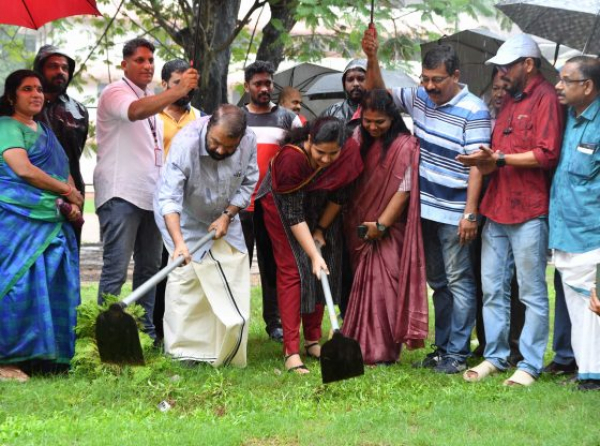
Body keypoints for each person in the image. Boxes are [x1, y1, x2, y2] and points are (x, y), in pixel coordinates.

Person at [363, 28, 491, 374]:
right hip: (426, 209)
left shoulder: (474, 110)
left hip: (455, 213)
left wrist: (470, 213)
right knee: (438, 282)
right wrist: (372, 57)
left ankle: (458, 352)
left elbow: (479, 165)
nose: (430, 86)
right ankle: (443, 348)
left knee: (459, 280)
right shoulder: (419, 98)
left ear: (455, 76)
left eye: (437, 80)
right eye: (425, 79)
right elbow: (377, 93)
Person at [458, 34, 564, 387]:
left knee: (531, 292)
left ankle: (530, 363)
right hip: (497, 206)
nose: (502, 72)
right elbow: (499, 153)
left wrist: (499, 158)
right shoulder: (508, 100)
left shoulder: (546, 97)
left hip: (529, 209)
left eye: (508, 66)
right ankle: (495, 356)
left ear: (528, 65)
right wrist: (482, 160)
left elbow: (546, 153)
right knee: (492, 287)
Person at [94, 37, 199, 340]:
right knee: (116, 268)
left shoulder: (151, 94)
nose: (147, 65)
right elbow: (135, 111)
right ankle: (107, 337)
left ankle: (146, 334)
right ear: (124, 64)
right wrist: (177, 90)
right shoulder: (115, 92)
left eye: (150, 60)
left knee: (151, 269)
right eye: (139, 60)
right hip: (120, 194)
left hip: (151, 196)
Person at [256, 117, 363, 373]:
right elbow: (293, 213)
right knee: (295, 268)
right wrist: (312, 254)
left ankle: (313, 339)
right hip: (281, 208)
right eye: (320, 153)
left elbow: (339, 195)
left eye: (332, 154)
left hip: (318, 206)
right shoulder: (291, 160)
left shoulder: (347, 153)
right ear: (309, 141)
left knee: (325, 264)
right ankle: (291, 350)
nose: (326, 160)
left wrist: (320, 230)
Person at [154, 104, 257, 367]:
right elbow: (170, 198)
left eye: (229, 148)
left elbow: (248, 181)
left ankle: (225, 350)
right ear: (209, 125)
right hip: (185, 218)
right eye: (215, 143)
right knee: (186, 280)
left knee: (231, 273)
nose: (221, 151)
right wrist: (178, 244)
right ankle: (183, 354)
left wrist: (227, 214)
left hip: (224, 215)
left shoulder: (249, 141)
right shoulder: (185, 143)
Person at [0, 70, 83, 382]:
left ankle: (46, 357)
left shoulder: (46, 131)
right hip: (17, 218)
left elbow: (64, 171)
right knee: (16, 284)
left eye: (38, 89)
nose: (35, 94)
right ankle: (6, 358)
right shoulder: (7, 125)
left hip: (54, 218)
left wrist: (73, 201)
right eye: (26, 89)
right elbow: (23, 169)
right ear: (12, 97)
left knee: (50, 282)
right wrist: (66, 193)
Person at [341, 90, 428, 365]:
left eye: (380, 122)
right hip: (357, 224)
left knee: (384, 285)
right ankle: (357, 343)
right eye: (368, 121)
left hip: (388, 228)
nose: (373, 127)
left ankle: (382, 350)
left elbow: (404, 189)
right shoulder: (357, 139)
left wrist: (381, 225)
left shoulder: (405, 145)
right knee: (361, 284)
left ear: (393, 118)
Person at [241, 60, 302, 343]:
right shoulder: (236, 118)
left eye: (268, 83)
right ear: (247, 87)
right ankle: (236, 319)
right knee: (238, 265)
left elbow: (301, 154)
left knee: (273, 266)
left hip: (273, 205)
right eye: (258, 84)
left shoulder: (288, 118)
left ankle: (275, 323)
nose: (264, 88)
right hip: (241, 205)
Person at [549, 55, 600, 391]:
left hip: (591, 235)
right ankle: (586, 371)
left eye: (566, 80)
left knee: (592, 307)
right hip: (565, 232)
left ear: (588, 86)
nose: (558, 85)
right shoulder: (569, 117)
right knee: (577, 307)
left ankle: (593, 376)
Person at [153, 58, 206, 341]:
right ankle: (154, 327)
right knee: (156, 265)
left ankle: (182, 327)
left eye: (189, 85)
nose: (185, 91)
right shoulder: (152, 116)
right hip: (155, 200)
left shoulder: (200, 117)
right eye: (178, 84)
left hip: (188, 205)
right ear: (164, 85)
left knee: (180, 264)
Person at [33, 45, 89, 248]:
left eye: (65, 68)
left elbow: (76, 151)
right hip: (32, 188)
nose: (60, 72)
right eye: (53, 66)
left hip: (72, 189)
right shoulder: (21, 107)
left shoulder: (79, 111)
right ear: (39, 69)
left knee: (68, 250)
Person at [158, 58, 206, 155]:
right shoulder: (151, 119)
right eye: (178, 83)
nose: (184, 87)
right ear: (164, 84)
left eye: (188, 82)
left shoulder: (202, 119)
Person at [321, 59, 367, 127]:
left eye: (361, 79)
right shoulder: (332, 112)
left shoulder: (381, 110)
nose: (356, 84)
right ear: (344, 84)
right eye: (350, 79)